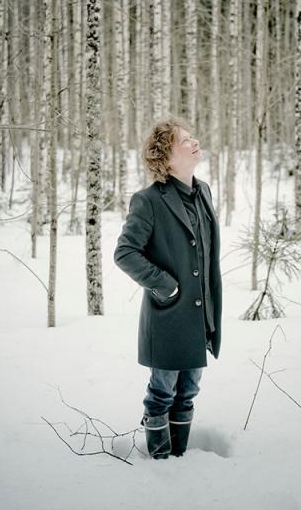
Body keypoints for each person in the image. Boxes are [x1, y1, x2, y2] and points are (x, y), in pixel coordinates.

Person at [113, 117, 223, 459]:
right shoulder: (148, 201)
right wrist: (166, 286)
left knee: (188, 391)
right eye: (185, 140)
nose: (194, 142)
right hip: (169, 314)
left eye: (193, 137)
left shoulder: (203, 191)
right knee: (162, 392)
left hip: (200, 314)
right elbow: (125, 253)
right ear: (166, 155)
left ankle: (180, 459)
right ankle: (160, 463)